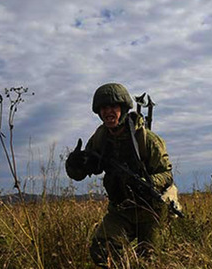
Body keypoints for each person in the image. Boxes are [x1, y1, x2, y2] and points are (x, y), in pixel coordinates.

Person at [65, 83, 179, 267]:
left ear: (124, 108)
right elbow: (80, 173)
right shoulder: (100, 138)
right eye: (104, 108)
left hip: (151, 211)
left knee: (147, 261)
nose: (108, 112)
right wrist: (74, 164)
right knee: (102, 250)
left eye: (113, 107)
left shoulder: (147, 139)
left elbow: (167, 174)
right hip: (121, 209)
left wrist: (147, 182)